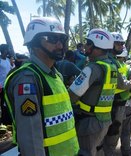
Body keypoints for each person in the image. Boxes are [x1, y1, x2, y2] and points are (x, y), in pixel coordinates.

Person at [4, 17, 79, 155]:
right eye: (51, 39)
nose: (60, 45)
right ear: (34, 42)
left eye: (62, 40)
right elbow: (30, 137)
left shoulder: (55, 75)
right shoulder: (28, 79)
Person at [69, 28, 118, 156]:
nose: (85, 46)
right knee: (98, 150)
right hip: (104, 119)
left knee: (85, 152)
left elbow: (72, 96)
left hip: (89, 122)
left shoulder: (93, 68)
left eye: (88, 43)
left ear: (96, 45)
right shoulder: (111, 67)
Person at [102, 32, 131, 156]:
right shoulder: (112, 62)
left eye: (122, 44)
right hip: (115, 105)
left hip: (118, 104)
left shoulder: (113, 62)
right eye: (119, 43)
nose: (122, 46)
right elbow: (121, 84)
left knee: (116, 133)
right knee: (112, 135)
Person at [0, 44, 13, 125]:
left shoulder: (8, 60)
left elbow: (12, 68)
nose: (8, 51)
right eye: (7, 49)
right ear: (4, 50)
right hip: (1, 86)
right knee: (3, 104)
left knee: (7, 103)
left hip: (8, 84)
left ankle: (8, 120)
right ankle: (4, 121)